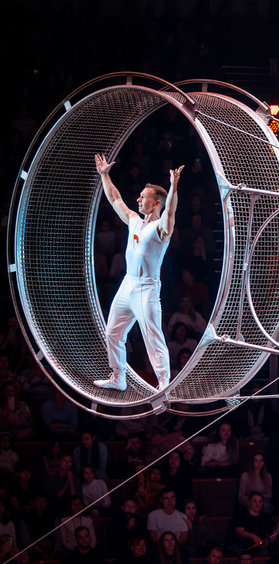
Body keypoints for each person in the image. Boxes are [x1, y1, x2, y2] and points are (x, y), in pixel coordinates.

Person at [93, 154, 184, 391]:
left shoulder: (160, 229)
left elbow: (170, 212)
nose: (138, 199)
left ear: (156, 203)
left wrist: (174, 186)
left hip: (147, 288)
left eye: (143, 197)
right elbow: (115, 199)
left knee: (153, 337)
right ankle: (118, 378)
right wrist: (104, 175)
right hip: (128, 284)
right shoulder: (134, 220)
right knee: (112, 332)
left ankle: (163, 385)